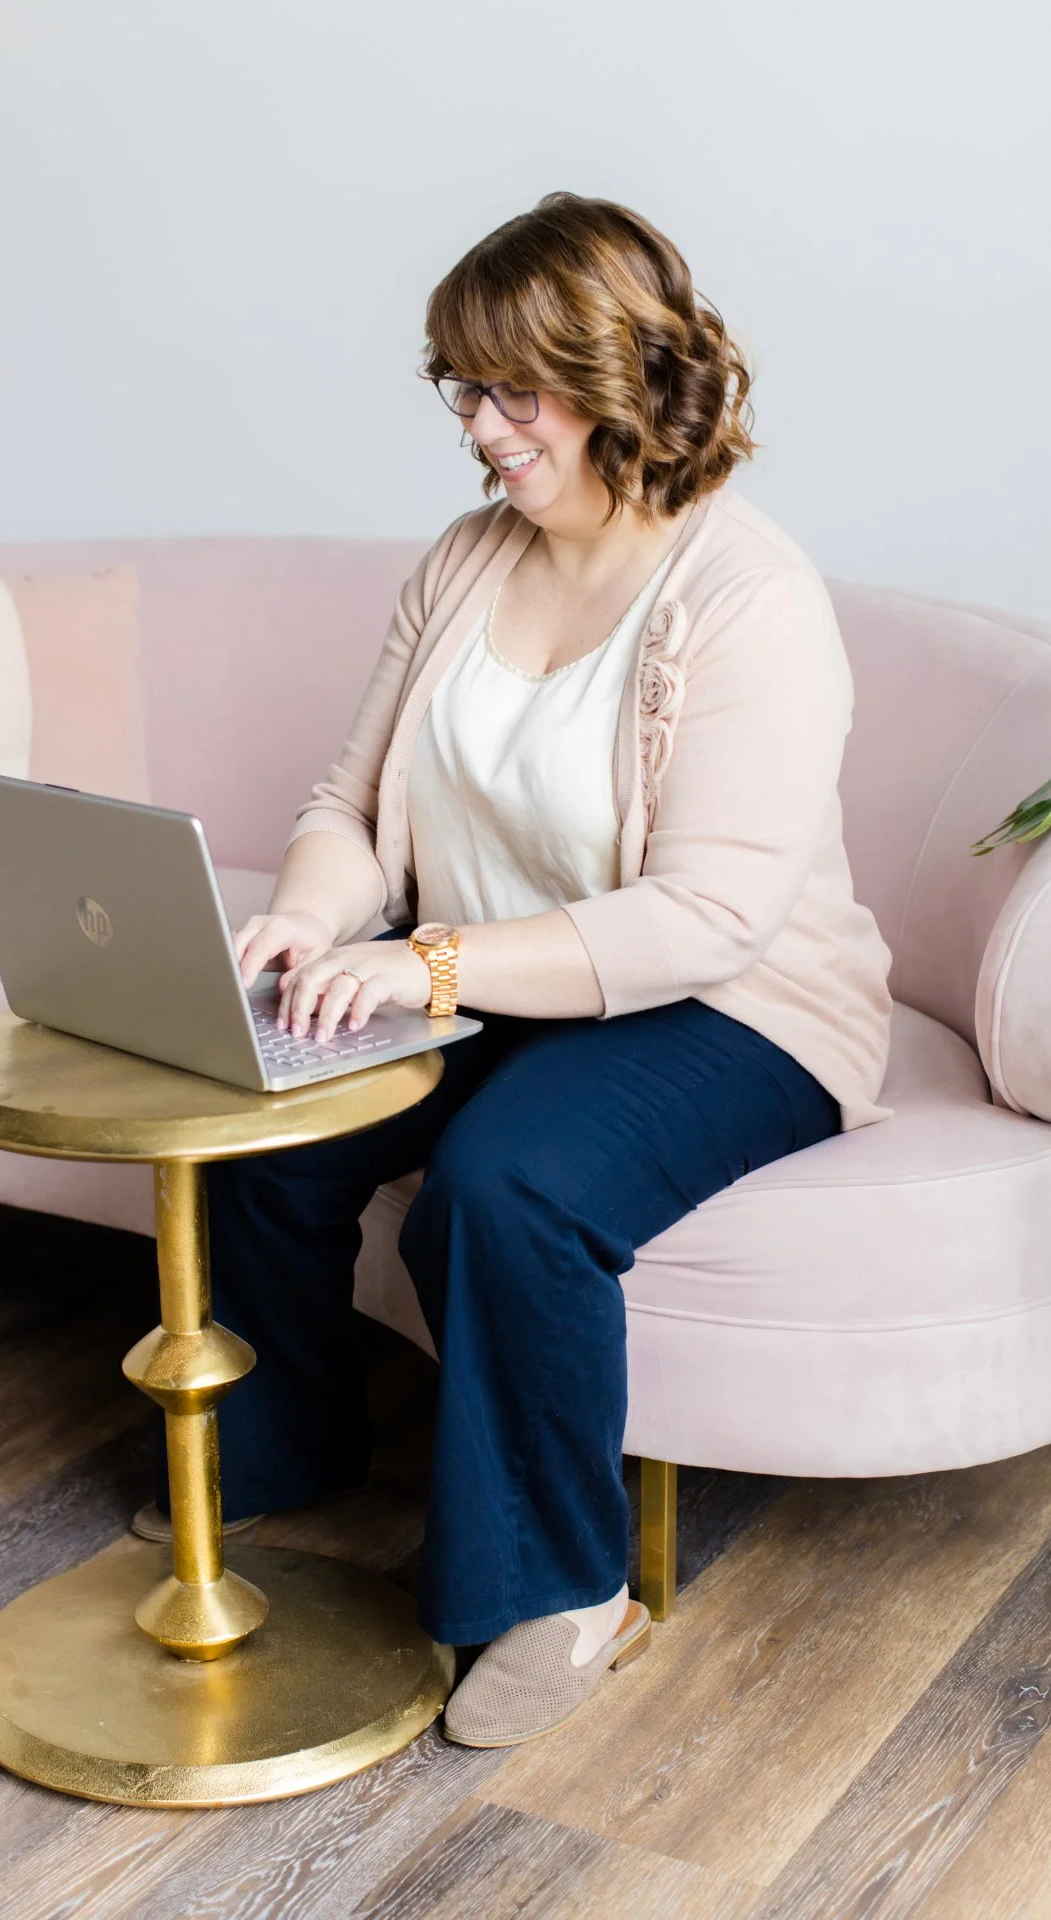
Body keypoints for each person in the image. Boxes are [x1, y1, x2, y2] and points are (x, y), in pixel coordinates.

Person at [136, 191, 893, 1748]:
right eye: (461, 389)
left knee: (508, 1184)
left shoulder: (749, 596)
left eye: (512, 392)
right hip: (483, 978)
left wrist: (424, 962)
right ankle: (285, 1459)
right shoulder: (470, 558)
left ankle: (563, 1590)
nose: (481, 429)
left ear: (621, 378)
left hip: (732, 1012)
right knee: (260, 1119)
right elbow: (350, 805)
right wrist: (306, 922)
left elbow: (711, 918)